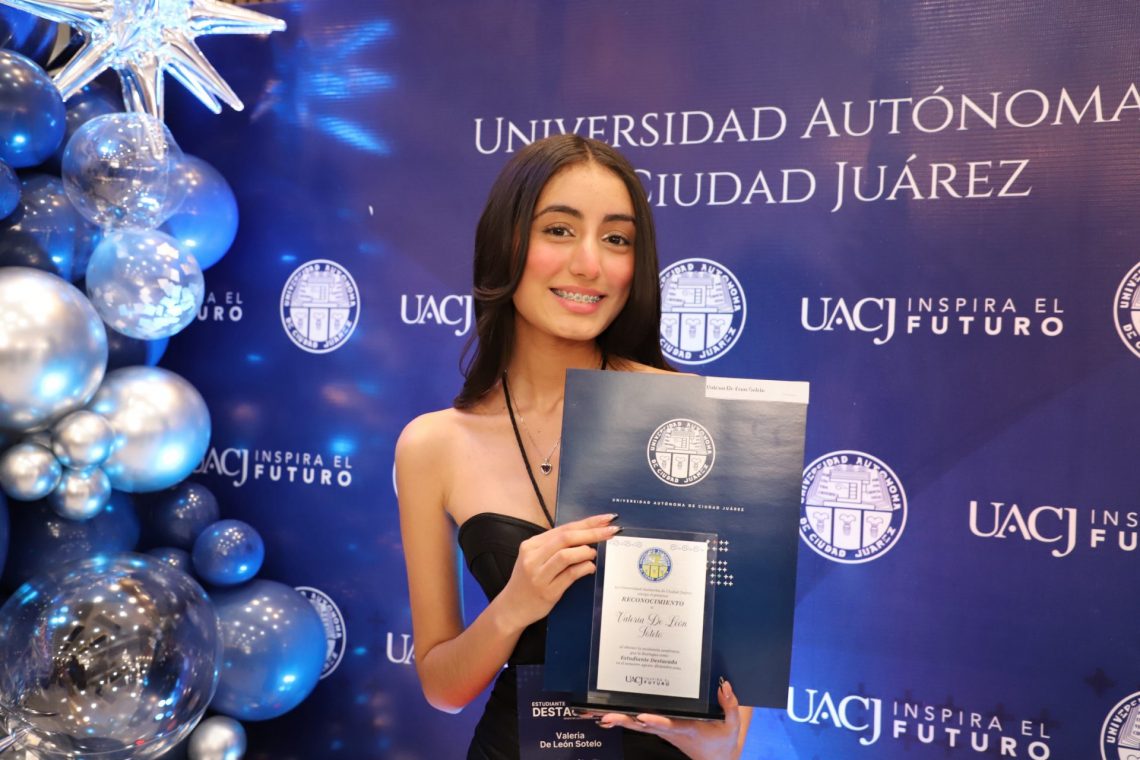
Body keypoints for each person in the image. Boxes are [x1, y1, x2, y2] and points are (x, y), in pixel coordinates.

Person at [396, 134, 752, 759]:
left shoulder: (690, 415)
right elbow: (442, 688)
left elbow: (731, 712)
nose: (590, 264)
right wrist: (514, 606)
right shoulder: (433, 444)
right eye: (559, 230)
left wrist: (715, 746)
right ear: (505, 243)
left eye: (616, 239)